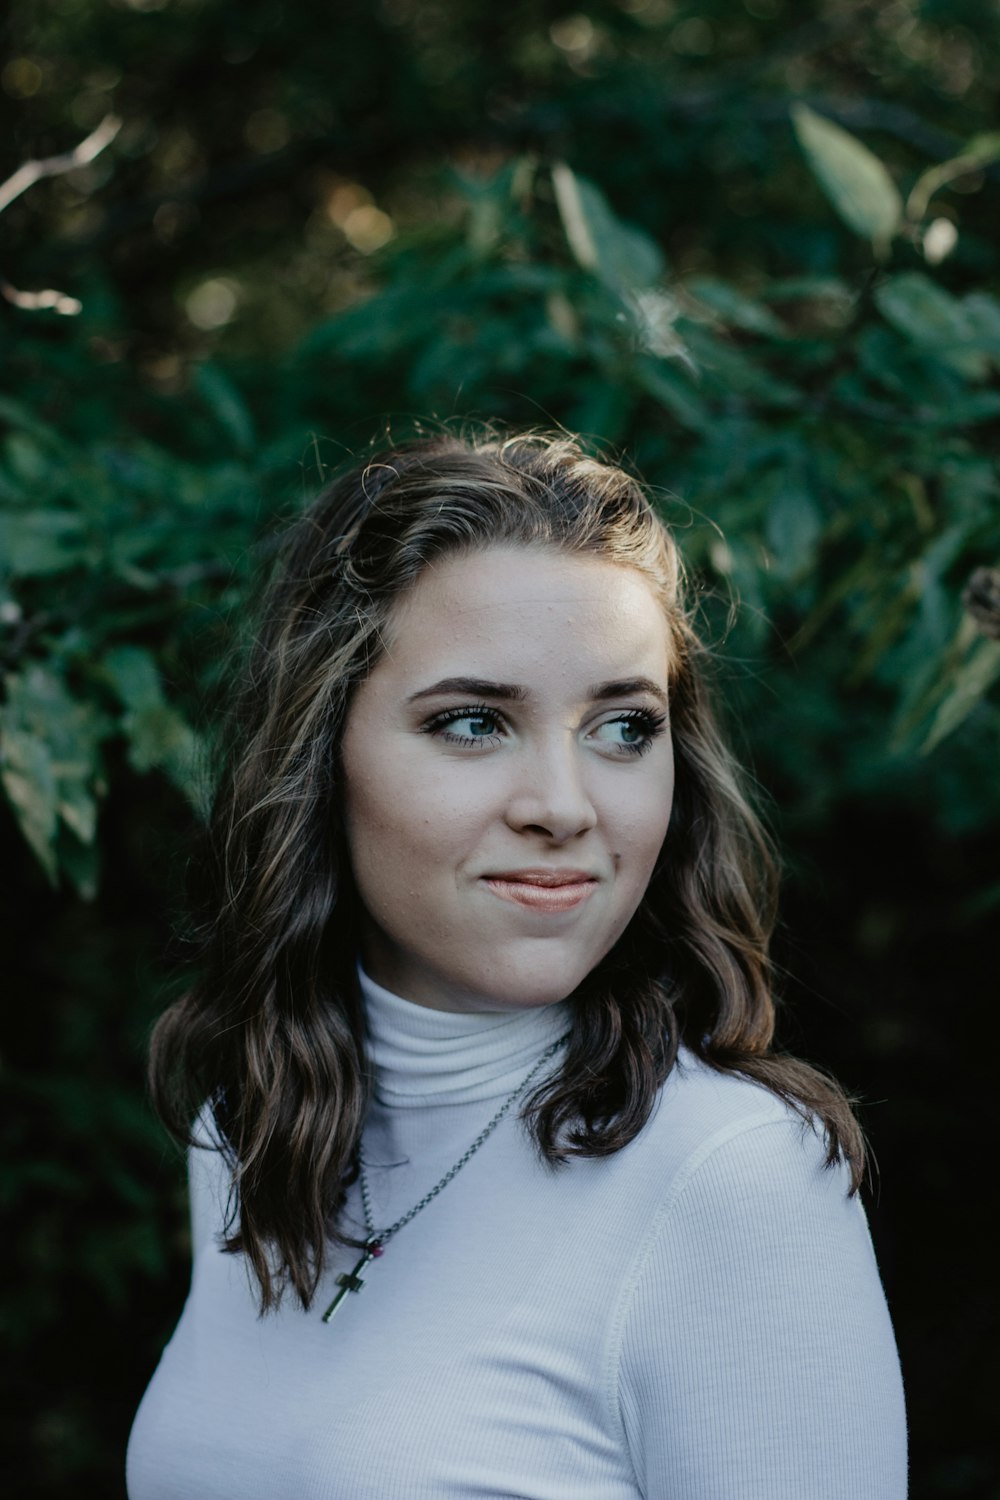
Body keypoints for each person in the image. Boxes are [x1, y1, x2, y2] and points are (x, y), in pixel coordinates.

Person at [126, 428, 907, 1499]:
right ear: (321, 751)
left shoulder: (731, 1183)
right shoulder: (250, 1130)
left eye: (623, 727)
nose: (562, 805)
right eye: (474, 721)